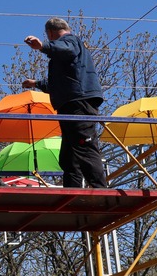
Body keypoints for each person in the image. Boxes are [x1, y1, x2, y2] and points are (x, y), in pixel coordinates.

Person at [23, 18, 107, 188]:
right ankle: (72, 191)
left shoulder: (70, 41)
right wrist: (37, 84)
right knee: (69, 156)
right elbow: (62, 84)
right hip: (70, 103)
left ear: (51, 33)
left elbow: (66, 49)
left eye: (49, 36)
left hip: (78, 103)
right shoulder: (69, 52)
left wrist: (43, 46)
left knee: (85, 145)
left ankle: (100, 189)